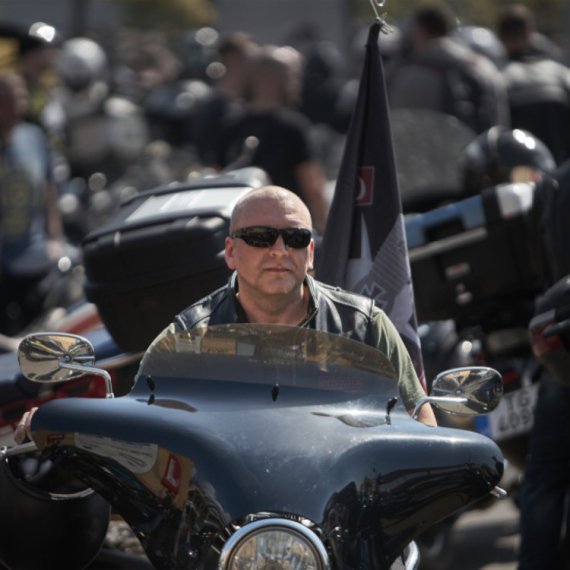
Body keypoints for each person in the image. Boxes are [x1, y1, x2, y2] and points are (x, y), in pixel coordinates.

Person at [15, 186, 436, 444]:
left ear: (310, 254)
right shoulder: (190, 335)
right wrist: (56, 422)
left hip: (346, 501)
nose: (278, 250)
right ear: (231, 253)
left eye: (294, 238)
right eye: (259, 237)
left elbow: (421, 418)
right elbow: (141, 419)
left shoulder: (363, 325)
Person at [213, 46, 329, 235]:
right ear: (279, 79)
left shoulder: (229, 126)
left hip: (246, 236)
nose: (297, 83)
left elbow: (218, 179)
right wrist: (326, 229)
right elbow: (312, 185)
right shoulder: (293, 126)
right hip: (290, 233)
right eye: (293, 76)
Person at [0, 71, 64, 335]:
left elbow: (49, 193)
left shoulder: (33, 136)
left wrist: (55, 239)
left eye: (20, 98)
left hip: (36, 257)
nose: (19, 106)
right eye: (8, 100)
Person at [386, 1, 510, 134]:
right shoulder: (483, 66)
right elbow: (499, 124)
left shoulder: (411, 73)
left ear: (420, 30)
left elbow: (400, 130)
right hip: (478, 152)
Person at [496, 4, 570, 165]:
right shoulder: (560, 74)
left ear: (501, 36)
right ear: (529, 32)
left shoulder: (498, 78)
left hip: (524, 179)